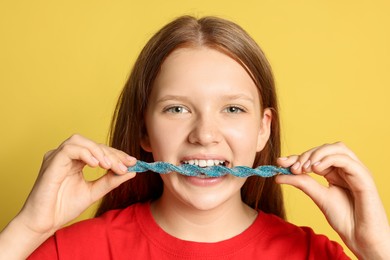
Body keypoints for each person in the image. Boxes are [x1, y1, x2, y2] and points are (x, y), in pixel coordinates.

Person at [0, 15, 389, 259]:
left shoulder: (312, 255)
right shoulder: (70, 252)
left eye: (233, 109)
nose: (205, 135)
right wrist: (28, 229)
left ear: (263, 129)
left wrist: (377, 251)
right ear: (144, 131)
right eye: (177, 108)